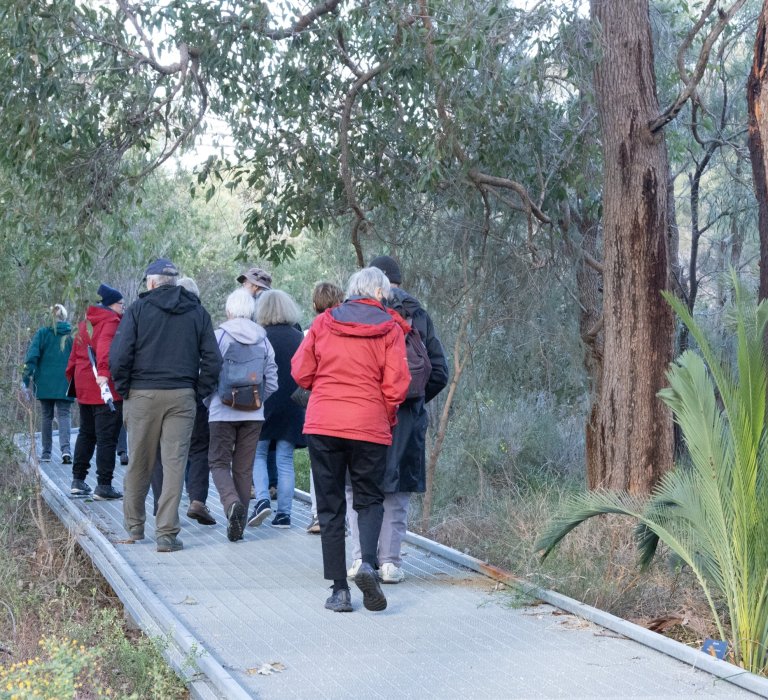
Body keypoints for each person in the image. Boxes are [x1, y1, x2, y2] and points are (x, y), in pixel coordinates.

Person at [291, 267, 410, 613]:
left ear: (352, 291)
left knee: (330, 506)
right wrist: (384, 415)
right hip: (368, 424)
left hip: (323, 423)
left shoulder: (325, 322)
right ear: (380, 294)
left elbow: (301, 372)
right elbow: (397, 384)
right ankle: (368, 565)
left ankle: (339, 591)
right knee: (369, 499)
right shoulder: (390, 328)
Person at [346, 255, 449, 583]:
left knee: (356, 487)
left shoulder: (352, 313)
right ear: (399, 282)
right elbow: (439, 372)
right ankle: (390, 562)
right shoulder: (418, 314)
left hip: (361, 411)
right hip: (405, 416)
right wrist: (412, 400)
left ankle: (361, 558)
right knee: (397, 489)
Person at [110, 258, 221, 552]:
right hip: (182, 395)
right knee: (174, 465)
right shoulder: (197, 312)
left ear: (151, 283)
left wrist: (126, 391)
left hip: (142, 395)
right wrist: (197, 391)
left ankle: (134, 528)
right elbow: (213, 360)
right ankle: (167, 534)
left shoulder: (137, 311)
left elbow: (119, 357)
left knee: (139, 462)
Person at [208, 288, 278, 542]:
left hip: (221, 411)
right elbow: (272, 381)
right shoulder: (263, 339)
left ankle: (230, 505)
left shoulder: (219, 337)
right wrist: (257, 402)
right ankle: (238, 526)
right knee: (244, 468)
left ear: (228, 311)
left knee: (217, 462)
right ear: (251, 312)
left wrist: (211, 400)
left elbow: (207, 373)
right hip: (253, 415)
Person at [147, 277, 217, 526]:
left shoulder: (158, 317)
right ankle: (197, 499)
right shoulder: (200, 316)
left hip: (155, 393)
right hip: (190, 394)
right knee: (198, 448)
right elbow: (213, 359)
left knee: (160, 451)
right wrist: (201, 390)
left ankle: (161, 505)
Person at [248, 290, 305, 530]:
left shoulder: (258, 336)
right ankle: (284, 515)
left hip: (263, 402)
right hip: (292, 405)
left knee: (258, 455)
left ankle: (261, 500)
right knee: (284, 459)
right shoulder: (299, 337)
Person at [65, 285, 126, 499]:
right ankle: (104, 485)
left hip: (84, 386)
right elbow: (105, 351)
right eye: (121, 304)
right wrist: (104, 375)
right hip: (104, 388)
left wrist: (73, 378)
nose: (123, 308)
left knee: (86, 433)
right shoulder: (110, 321)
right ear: (110, 304)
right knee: (107, 438)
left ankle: (78, 480)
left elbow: (73, 356)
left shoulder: (85, 323)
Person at [303, 282, 344, 535]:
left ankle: (319, 514)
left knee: (318, 465)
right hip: (353, 409)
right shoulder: (350, 328)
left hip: (320, 407)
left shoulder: (310, 332)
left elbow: (301, 371)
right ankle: (343, 517)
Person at [23, 304, 75, 464]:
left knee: (47, 416)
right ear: (64, 317)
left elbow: (32, 356)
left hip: (44, 382)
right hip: (65, 381)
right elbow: (78, 358)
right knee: (64, 415)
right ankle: (66, 451)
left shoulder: (43, 333)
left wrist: (25, 380)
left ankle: (46, 453)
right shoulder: (71, 334)